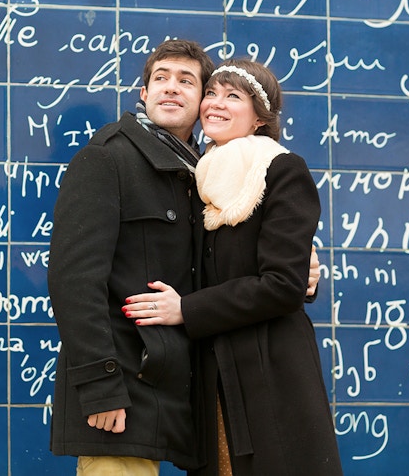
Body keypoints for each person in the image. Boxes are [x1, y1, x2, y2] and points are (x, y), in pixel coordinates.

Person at [47, 40, 321, 476]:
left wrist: (299, 269)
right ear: (143, 93)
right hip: (120, 390)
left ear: (198, 102)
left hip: (176, 390)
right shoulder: (108, 156)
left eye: (187, 81)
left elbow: (236, 264)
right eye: (161, 78)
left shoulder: (202, 175)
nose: (171, 88)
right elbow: (73, 280)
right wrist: (101, 388)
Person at [123, 59, 343, 476]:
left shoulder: (280, 170)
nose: (215, 104)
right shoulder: (197, 178)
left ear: (260, 118)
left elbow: (281, 285)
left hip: (270, 375)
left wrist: (186, 310)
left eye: (233, 96)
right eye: (211, 93)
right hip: (214, 376)